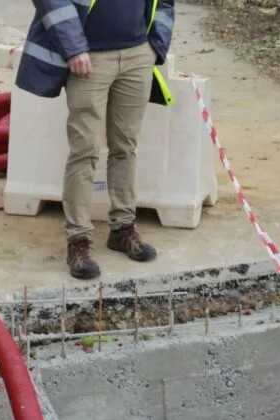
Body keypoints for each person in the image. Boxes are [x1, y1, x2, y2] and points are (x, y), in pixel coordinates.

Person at [15, 0, 176, 280]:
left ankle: (123, 229)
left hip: (138, 54)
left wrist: (155, 45)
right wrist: (74, 47)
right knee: (84, 150)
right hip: (89, 58)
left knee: (126, 145)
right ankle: (78, 241)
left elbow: (165, 2)